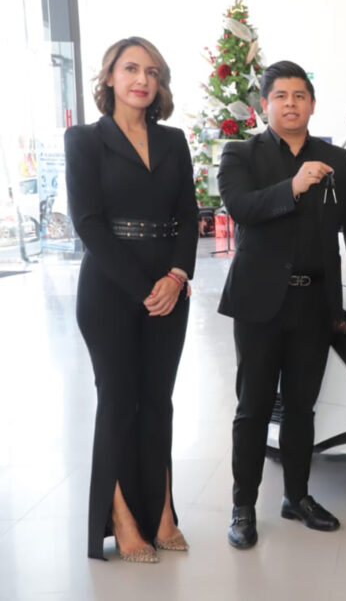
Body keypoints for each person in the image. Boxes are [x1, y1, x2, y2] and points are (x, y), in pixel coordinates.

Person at [217, 60, 346, 549]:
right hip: (259, 304)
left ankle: (297, 496)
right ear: (265, 104)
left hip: (314, 301)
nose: (291, 104)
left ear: (312, 104)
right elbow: (241, 208)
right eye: (281, 96)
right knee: (253, 408)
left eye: (299, 96)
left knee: (302, 408)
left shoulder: (336, 159)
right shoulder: (240, 154)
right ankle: (243, 507)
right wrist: (293, 186)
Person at [65, 37, 198, 562]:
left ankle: (162, 512)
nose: (142, 79)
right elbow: (88, 224)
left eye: (152, 72)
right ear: (110, 77)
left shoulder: (174, 141)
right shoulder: (85, 140)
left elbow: (188, 214)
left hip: (169, 286)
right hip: (109, 289)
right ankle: (121, 519)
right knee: (118, 402)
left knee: (158, 402)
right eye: (131, 69)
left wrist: (176, 276)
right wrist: (146, 288)